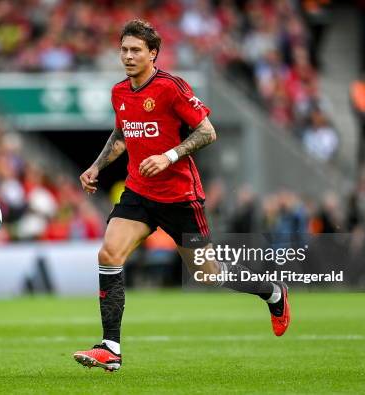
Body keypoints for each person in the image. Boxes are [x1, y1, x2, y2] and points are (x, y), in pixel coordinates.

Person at [73, 19, 291, 372]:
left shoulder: (172, 88)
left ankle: (273, 292)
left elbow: (208, 131)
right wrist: (96, 167)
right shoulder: (120, 92)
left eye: (135, 50)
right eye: (124, 50)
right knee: (109, 253)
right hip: (139, 192)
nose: (128, 56)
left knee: (207, 273)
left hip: (179, 196)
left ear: (153, 53)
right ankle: (111, 347)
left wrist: (169, 156)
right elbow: (121, 135)